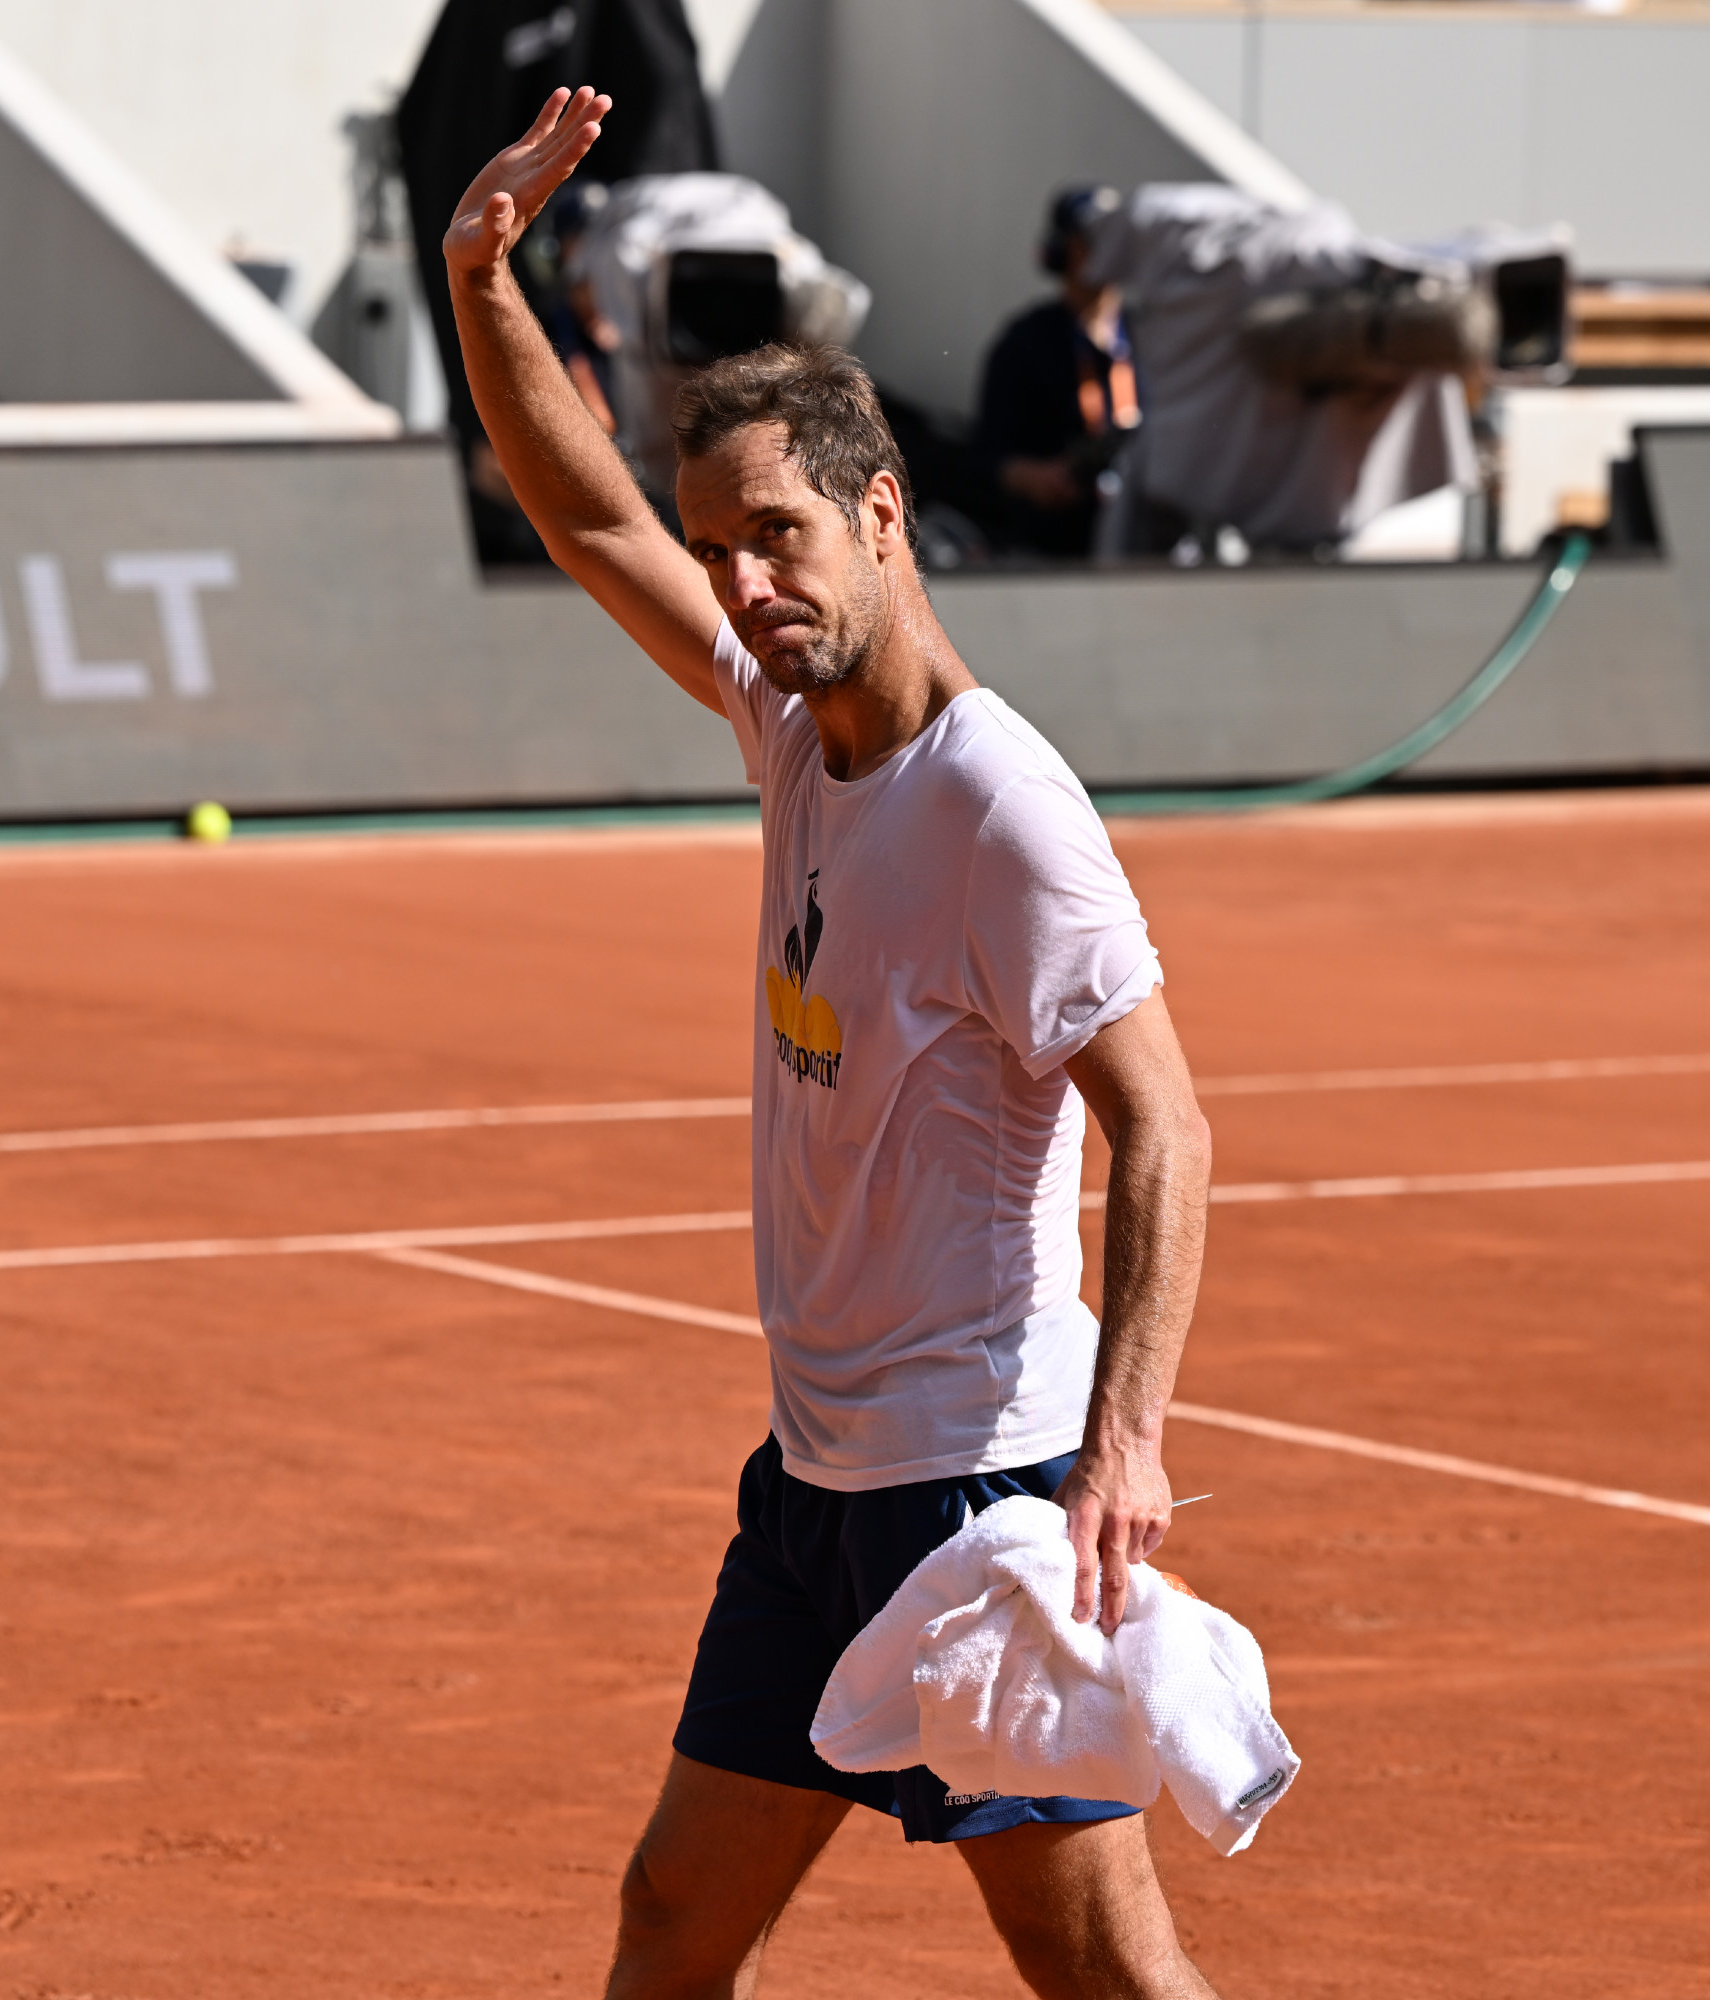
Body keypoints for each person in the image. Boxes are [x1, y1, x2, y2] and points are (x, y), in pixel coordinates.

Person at [445, 90, 1223, 1999]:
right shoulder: (791, 717)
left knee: (1102, 1974)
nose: (742, 584)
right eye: (726, 549)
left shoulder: (1000, 810)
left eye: (778, 536)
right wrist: (480, 273)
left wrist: (1121, 1452)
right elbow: (586, 511)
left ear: (883, 510)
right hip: (815, 1484)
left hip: (972, 1493)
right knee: (676, 1918)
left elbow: (1170, 1130)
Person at [974, 185, 1139, 559]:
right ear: (1062, 250)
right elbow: (988, 456)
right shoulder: (1026, 341)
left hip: (1142, 544)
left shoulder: (1150, 338)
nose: (1104, 253)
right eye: (1089, 241)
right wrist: (1034, 477)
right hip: (1055, 551)